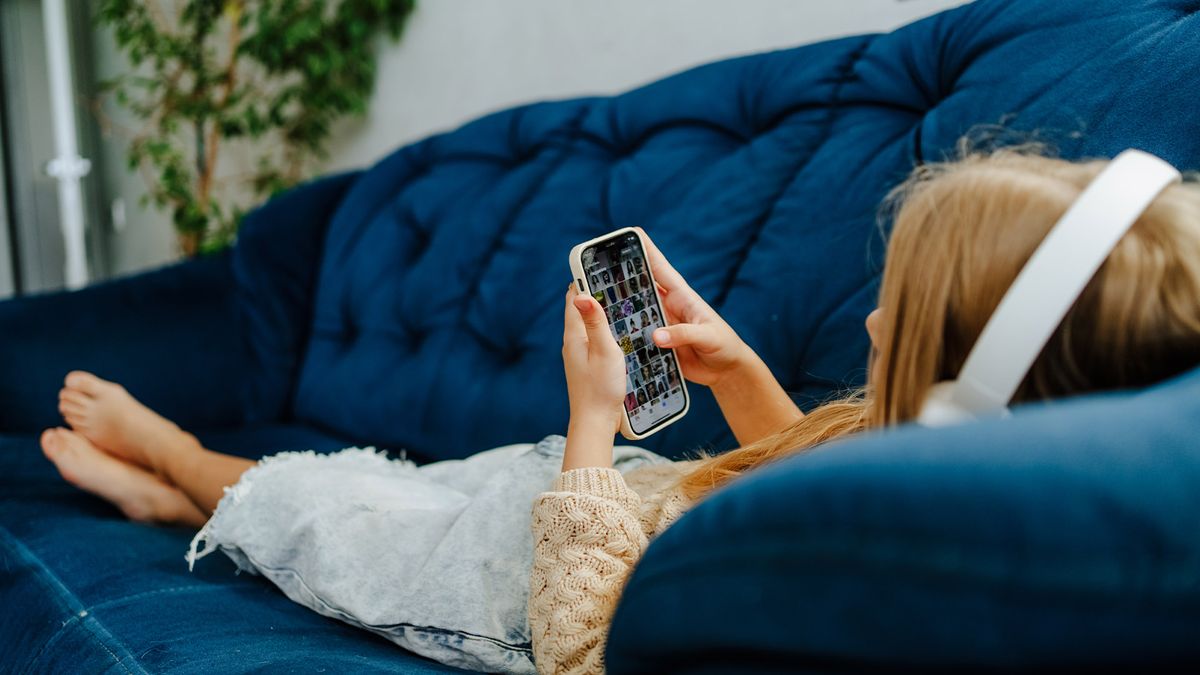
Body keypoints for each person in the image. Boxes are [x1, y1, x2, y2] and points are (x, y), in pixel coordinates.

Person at [39, 148, 1200, 674]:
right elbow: (801, 483)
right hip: (575, 499)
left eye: (898, 311)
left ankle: (182, 462)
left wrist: (595, 423)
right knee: (384, 472)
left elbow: (587, 649)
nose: (869, 328)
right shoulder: (933, 462)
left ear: (969, 386)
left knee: (317, 506)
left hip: (518, 593)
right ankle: (183, 499)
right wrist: (740, 375)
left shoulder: (911, 580)